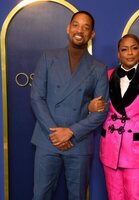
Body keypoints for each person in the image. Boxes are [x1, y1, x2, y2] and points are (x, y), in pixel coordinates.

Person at [30, 11, 109, 200]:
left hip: (78, 142)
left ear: (92, 34)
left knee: (78, 196)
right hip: (47, 139)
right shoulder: (48, 57)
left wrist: (71, 132)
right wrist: (55, 133)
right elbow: (36, 98)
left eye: (86, 27)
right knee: (40, 195)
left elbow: (101, 111)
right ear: (68, 28)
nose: (79, 30)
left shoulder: (98, 68)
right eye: (76, 25)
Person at [88, 33, 139, 200]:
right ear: (118, 54)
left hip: (138, 149)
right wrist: (91, 107)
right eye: (124, 49)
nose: (130, 53)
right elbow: (97, 105)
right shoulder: (106, 76)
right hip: (110, 146)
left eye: (134, 48)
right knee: (114, 196)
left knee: (136, 196)